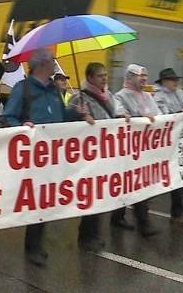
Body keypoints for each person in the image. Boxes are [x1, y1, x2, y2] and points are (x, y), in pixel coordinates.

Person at [0, 48, 92, 267]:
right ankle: (32, 247)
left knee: (48, 199)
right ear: (41, 65)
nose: (55, 65)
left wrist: (77, 113)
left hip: (54, 154)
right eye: (52, 62)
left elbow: (61, 116)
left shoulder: (53, 90)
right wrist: (22, 126)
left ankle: (37, 242)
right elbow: (8, 117)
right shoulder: (23, 89)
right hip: (33, 156)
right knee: (36, 201)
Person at [68, 62, 128, 252]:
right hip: (90, 154)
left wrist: (123, 115)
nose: (105, 79)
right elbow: (67, 122)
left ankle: (93, 233)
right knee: (91, 195)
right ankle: (86, 235)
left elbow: (116, 112)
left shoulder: (108, 95)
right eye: (101, 76)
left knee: (100, 194)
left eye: (105, 75)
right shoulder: (79, 97)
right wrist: (79, 115)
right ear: (91, 77)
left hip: (106, 151)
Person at [112, 64, 161, 237]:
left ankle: (130, 219)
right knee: (128, 184)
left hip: (145, 150)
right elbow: (119, 115)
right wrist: (136, 119)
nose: (144, 79)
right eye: (141, 76)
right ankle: (133, 220)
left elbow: (161, 115)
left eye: (146, 76)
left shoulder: (148, 96)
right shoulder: (120, 96)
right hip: (128, 150)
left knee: (140, 185)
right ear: (130, 77)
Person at [153, 68, 183, 225]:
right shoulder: (158, 96)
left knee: (177, 180)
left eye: (176, 79)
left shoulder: (180, 93)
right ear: (164, 82)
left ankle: (177, 214)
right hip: (162, 145)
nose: (176, 82)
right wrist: (179, 113)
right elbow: (163, 116)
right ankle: (132, 213)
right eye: (172, 79)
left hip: (177, 143)